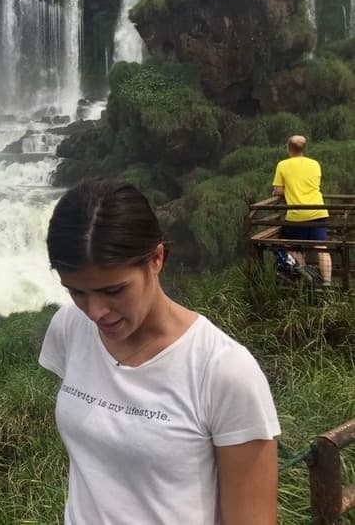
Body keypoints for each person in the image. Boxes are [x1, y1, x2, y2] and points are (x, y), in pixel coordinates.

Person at [39, 178, 280, 525]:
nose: (95, 312)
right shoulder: (70, 327)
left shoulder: (223, 371)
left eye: (114, 290)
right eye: (76, 291)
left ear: (156, 258)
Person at [272, 135, 331, 286]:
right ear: (303, 148)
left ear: (288, 148)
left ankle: (307, 277)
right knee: (321, 247)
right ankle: (327, 283)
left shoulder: (283, 165)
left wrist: (282, 191)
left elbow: (278, 190)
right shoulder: (315, 164)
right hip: (318, 212)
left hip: (297, 215)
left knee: (292, 246)